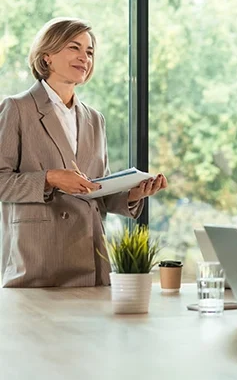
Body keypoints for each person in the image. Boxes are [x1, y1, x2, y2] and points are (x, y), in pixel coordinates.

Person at [0, 17, 168, 288]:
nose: (84, 57)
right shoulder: (17, 109)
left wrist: (134, 194)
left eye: (89, 52)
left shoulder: (94, 119)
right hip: (37, 259)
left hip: (89, 256)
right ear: (47, 57)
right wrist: (50, 178)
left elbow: (97, 191)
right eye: (73, 48)